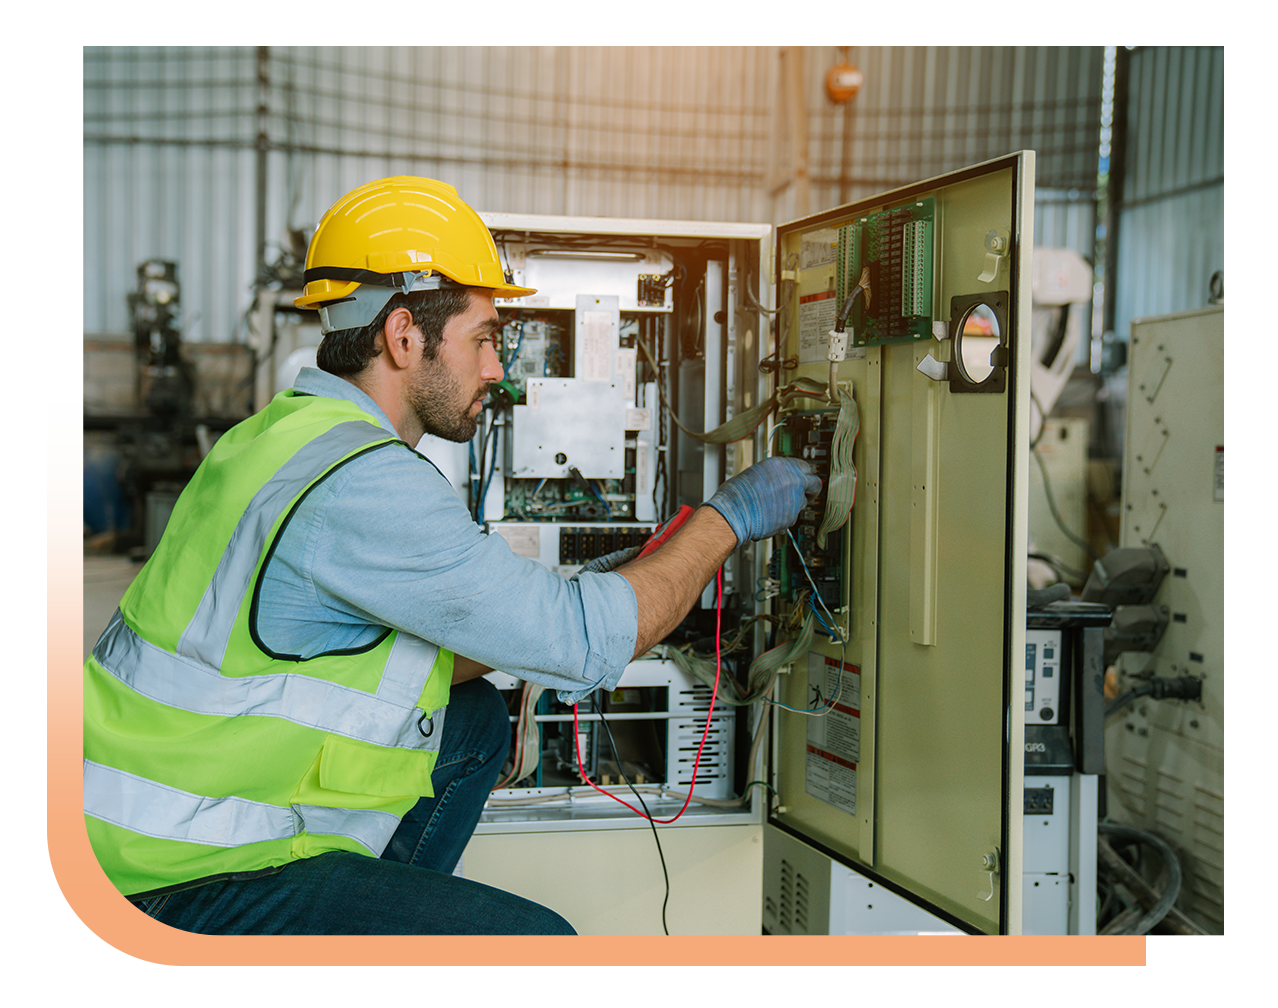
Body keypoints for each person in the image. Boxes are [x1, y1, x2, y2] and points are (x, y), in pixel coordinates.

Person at [82, 176, 820, 935]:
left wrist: (538, 605)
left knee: (468, 722)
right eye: (486, 338)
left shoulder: (272, 438)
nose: (499, 369)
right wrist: (726, 520)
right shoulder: (365, 483)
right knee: (541, 946)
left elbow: (354, 655)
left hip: (124, 815)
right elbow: (588, 644)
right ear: (403, 336)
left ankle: (377, 937)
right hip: (179, 870)